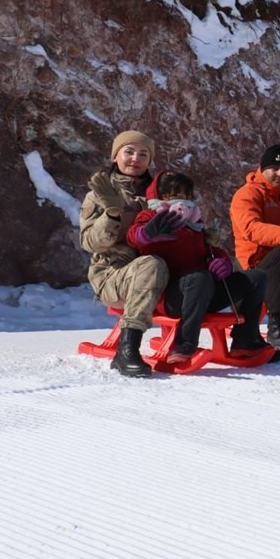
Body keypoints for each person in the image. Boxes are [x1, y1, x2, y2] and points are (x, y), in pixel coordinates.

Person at [127, 171, 280, 364]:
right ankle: (184, 345)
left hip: (202, 291)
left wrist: (221, 262)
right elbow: (134, 236)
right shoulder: (150, 216)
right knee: (198, 278)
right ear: (159, 196)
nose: (181, 199)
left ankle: (246, 339)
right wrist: (147, 232)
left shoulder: (194, 222)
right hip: (169, 296)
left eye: (185, 195)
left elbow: (208, 251)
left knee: (257, 277)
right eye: (173, 194)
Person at [80, 130, 179, 377]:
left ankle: (189, 344)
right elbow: (89, 242)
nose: (135, 158)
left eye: (143, 154)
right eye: (129, 151)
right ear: (116, 156)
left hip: (160, 272)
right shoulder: (98, 194)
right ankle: (127, 350)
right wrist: (111, 214)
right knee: (151, 265)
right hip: (112, 275)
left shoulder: (159, 193)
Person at [229, 144, 280, 350]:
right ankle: (278, 325)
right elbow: (251, 228)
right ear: (262, 168)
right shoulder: (247, 194)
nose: (279, 174)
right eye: (274, 168)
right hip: (256, 265)